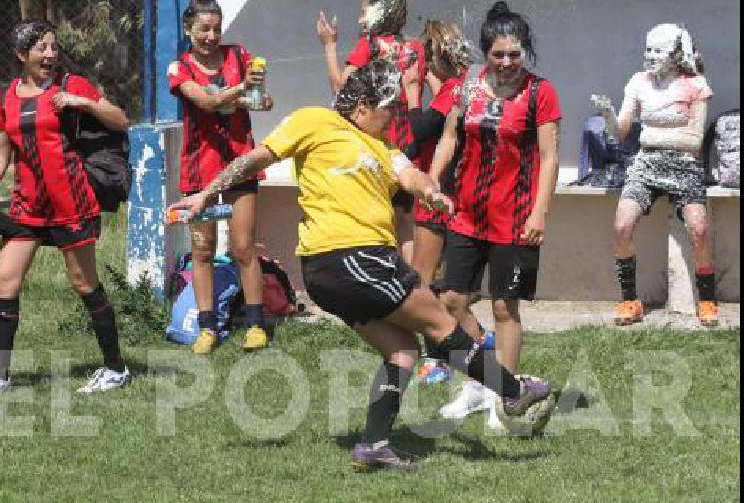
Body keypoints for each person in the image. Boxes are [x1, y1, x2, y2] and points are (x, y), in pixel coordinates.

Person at [167, 61, 557, 471]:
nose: (393, 121)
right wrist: (207, 195)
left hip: (342, 271)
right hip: (350, 256)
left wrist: (432, 193)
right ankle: (513, 392)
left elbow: (413, 177)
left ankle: (374, 445)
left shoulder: (384, 151)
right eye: (389, 111)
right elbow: (254, 159)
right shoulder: (315, 121)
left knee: (403, 351)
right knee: (440, 323)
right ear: (364, 107)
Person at [0, 20, 131, 395]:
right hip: (28, 208)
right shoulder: (8, 98)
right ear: (22, 55)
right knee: (5, 281)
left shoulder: (72, 85)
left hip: (72, 204)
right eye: (41, 48)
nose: (50, 54)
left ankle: (116, 369)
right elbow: (2, 151)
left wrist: (82, 102)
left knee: (84, 284)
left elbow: (121, 120)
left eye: (53, 47)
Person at [429, 2, 561, 421]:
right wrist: (432, 182)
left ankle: (506, 395)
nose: (506, 63)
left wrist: (540, 212)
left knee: (505, 307)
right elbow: (449, 137)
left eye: (514, 55)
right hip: (467, 213)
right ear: (485, 52)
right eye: (498, 54)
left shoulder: (541, 93)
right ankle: (479, 382)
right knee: (451, 301)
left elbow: (550, 156)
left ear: (525, 52)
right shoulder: (466, 87)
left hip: (516, 217)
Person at [168, 0, 273, 354]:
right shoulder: (179, 67)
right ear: (188, 29)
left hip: (240, 164)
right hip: (200, 173)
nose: (212, 37)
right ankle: (207, 327)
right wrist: (243, 88)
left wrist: (259, 92)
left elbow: (262, 101)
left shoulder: (239, 55)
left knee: (243, 247)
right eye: (204, 29)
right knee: (202, 250)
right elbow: (208, 102)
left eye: (216, 28)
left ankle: (256, 326)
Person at [591, 23, 717, 326]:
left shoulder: (696, 85)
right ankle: (629, 300)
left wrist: (651, 135)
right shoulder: (638, 82)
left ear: (676, 54)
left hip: (685, 164)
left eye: (657, 51)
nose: (650, 56)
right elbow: (621, 132)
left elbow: (694, 141)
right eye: (647, 49)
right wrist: (608, 114)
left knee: (698, 228)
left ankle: (708, 298)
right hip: (646, 163)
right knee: (622, 223)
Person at [401, 21, 493, 383]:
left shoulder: (452, 89)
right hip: (463, 193)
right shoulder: (466, 85)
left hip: (440, 193)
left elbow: (421, 132)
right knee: (454, 285)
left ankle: (437, 357)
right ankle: (480, 339)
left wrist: (411, 93)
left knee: (422, 281)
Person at [316, 0, 429, 262]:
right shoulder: (415, 48)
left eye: (363, 12)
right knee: (404, 219)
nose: (359, 20)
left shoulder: (368, 46)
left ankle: (380, 277)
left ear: (381, 13)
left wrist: (329, 45)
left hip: (376, 143)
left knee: (376, 214)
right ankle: (408, 281)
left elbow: (341, 89)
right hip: (408, 141)